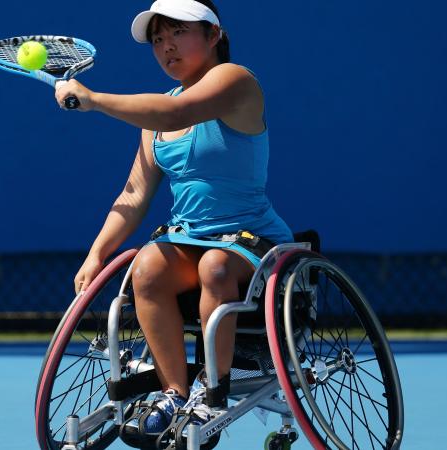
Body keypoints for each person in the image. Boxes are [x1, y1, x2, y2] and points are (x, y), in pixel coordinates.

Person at [55, 0, 294, 443]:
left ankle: (213, 393)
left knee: (214, 267)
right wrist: (96, 253)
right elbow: (134, 193)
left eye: (178, 33)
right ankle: (173, 393)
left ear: (213, 35)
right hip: (188, 238)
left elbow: (179, 114)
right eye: (158, 40)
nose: (166, 47)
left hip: (250, 241)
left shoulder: (235, 80)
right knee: (145, 268)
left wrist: (93, 100)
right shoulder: (155, 117)